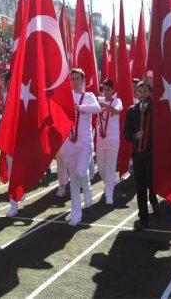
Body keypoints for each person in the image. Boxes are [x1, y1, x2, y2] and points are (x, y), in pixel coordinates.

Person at [61, 69, 100, 226]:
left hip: (84, 142)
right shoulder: (67, 96)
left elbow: (97, 108)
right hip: (70, 141)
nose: (75, 81)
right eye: (73, 78)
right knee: (74, 180)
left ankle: (88, 188)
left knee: (81, 172)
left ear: (83, 81)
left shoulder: (89, 96)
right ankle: (76, 214)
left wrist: (80, 108)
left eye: (77, 78)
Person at [123, 81, 158, 231]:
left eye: (145, 91)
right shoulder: (132, 110)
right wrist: (135, 135)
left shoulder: (155, 110)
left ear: (150, 93)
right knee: (140, 186)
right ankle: (143, 218)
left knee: (151, 182)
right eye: (140, 91)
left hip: (152, 153)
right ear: (136, 93)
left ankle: (154, 198)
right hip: (138, 154)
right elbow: (126, 133)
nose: (142, 94)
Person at [95, 79, 123, 206]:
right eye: (104, 89)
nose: (106, 92)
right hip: (100, 139)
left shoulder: (117, 100)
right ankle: (109, 185)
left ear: (112, 90)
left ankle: (109, 195)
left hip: (112, 139)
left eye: (108, 90)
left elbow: (117, 110)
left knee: (110, 167)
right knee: (100, 167)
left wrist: (104, 105)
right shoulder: (97, 100)